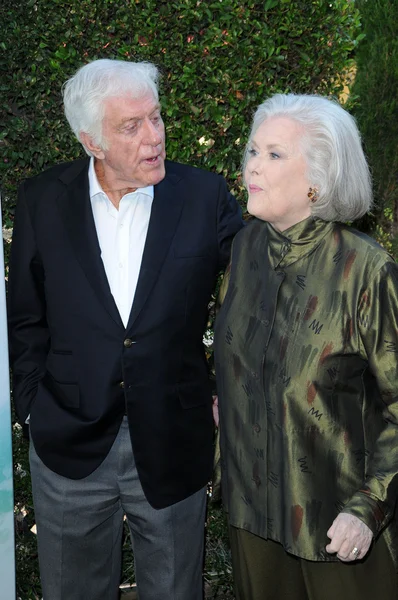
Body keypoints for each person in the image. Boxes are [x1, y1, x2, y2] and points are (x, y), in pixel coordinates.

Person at [7, 58, 242, 600]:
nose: (154, 137)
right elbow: (25, 316)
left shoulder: (204, 196)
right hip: (67, 441)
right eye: (131, 126)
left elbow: (259, 291)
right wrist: (32, 406)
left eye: (156, 118)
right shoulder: (42, 200)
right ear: (92, 141)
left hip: (172, 439)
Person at [213, 93, 398, 600]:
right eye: (252, 151)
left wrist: (368, 509)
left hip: (338, 530)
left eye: (274, 154)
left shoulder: (366, 270)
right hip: (251, 516)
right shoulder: (245, 248)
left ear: (318, 180)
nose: (253, 165)